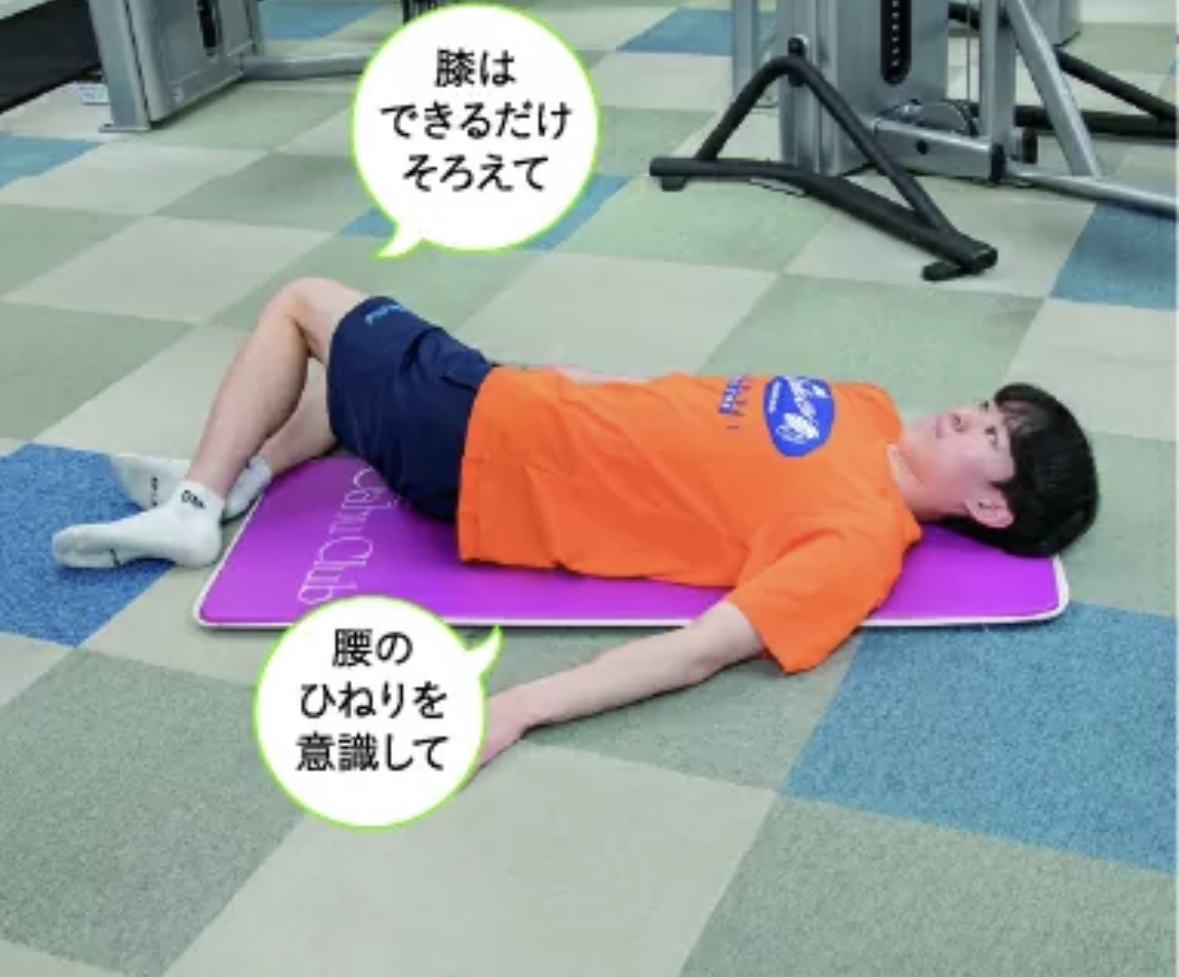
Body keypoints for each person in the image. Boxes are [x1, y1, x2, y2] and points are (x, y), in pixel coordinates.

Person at [51, 278, 1099, 768]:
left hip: (488, 457)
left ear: (988, 504)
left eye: (992, 438)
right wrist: (562, 378)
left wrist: (518, 708)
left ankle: (196, 508)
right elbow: (691, 404)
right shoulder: (865, 407)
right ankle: (245, 475)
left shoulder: (858, 543)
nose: (969, 415)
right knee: (340, 387)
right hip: (514, 402)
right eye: (988, 407)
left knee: (303, 305)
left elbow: (700, 649)